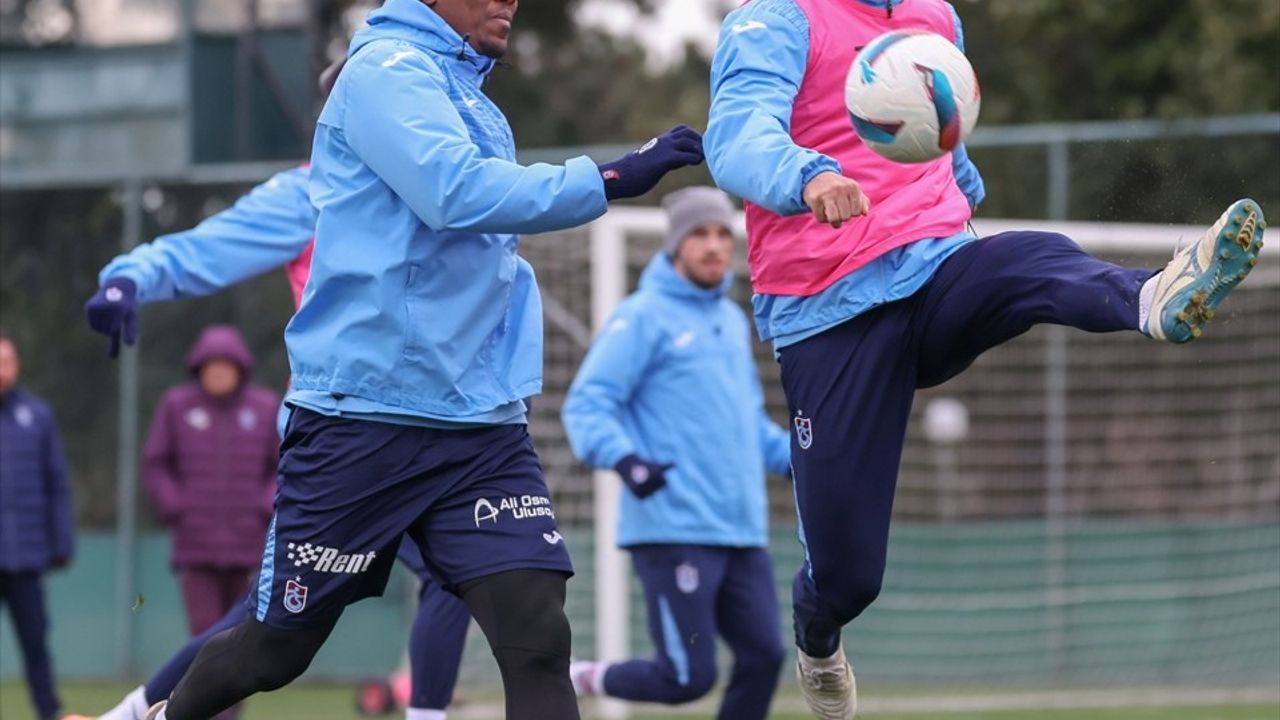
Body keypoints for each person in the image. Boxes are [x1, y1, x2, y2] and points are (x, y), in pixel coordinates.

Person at [703, 1, 1265, 717]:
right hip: (829, 315)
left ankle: (1150, 297)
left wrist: (964, 185)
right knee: (850, 579)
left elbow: (938, 125)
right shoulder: (776, 17)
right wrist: (807, 176)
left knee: (1027, 257)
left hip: (936, 268)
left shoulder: (934, 13)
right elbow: (736, 136)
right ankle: (817, 635)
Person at [143, 0, 703, 717]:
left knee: (537, 636)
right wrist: (610, 178)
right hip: (363, 422)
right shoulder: (385, 69)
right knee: (271, 652)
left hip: (481, 428)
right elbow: (456, 193)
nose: (509, 2)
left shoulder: (465, 91)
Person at [80, 162, 470, 720]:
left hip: (438, 430)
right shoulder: (311, 190)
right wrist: (131, 276)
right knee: (270, 621)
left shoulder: (444, 174)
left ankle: (131, 713)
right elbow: (208, 248)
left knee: (466, 580)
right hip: (337, 436)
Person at [561, 187, 792, 719]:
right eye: (699, 235)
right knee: (688, 677)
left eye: (721, 234)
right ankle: (578, 677)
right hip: (673, 527)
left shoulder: (732, 321)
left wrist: (808, 461)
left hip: (740, 530)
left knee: (765, 656)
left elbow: (747, 423)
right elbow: (588, 405)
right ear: (674, 244)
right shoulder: (643, 316)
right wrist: (627, 461)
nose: (714, 246)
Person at [143, 325, 280, 639]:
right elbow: (156, 462)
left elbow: (283, 467)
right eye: (211, 366)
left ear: (240, 369)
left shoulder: (264, 408)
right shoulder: (176, 406)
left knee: (243, 636)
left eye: (225, 366)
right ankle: (202, 690)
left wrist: (264, 507)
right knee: (204, 633)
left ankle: (233, 691)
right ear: (199, 369)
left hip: (250, 544)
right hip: (196, 544)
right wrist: (176, 506)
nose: (218, 373)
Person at [0, 333, 74, 720]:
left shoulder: (37, 415)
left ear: (17, 365)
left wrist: (60, 540)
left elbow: (56, 482)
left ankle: (49, 713)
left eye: (6, 361)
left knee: (35, 643)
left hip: (25, 555)